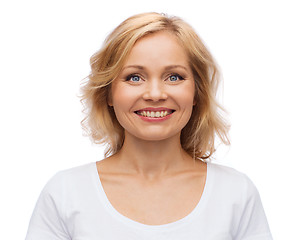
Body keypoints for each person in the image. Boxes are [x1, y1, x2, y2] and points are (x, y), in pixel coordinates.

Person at [25, 12, 272, 239]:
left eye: (174, 77)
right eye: (134, 77)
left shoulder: (236, 194)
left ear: (196, 93)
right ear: (108, 94)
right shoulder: (65, 194)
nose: (155, 94)